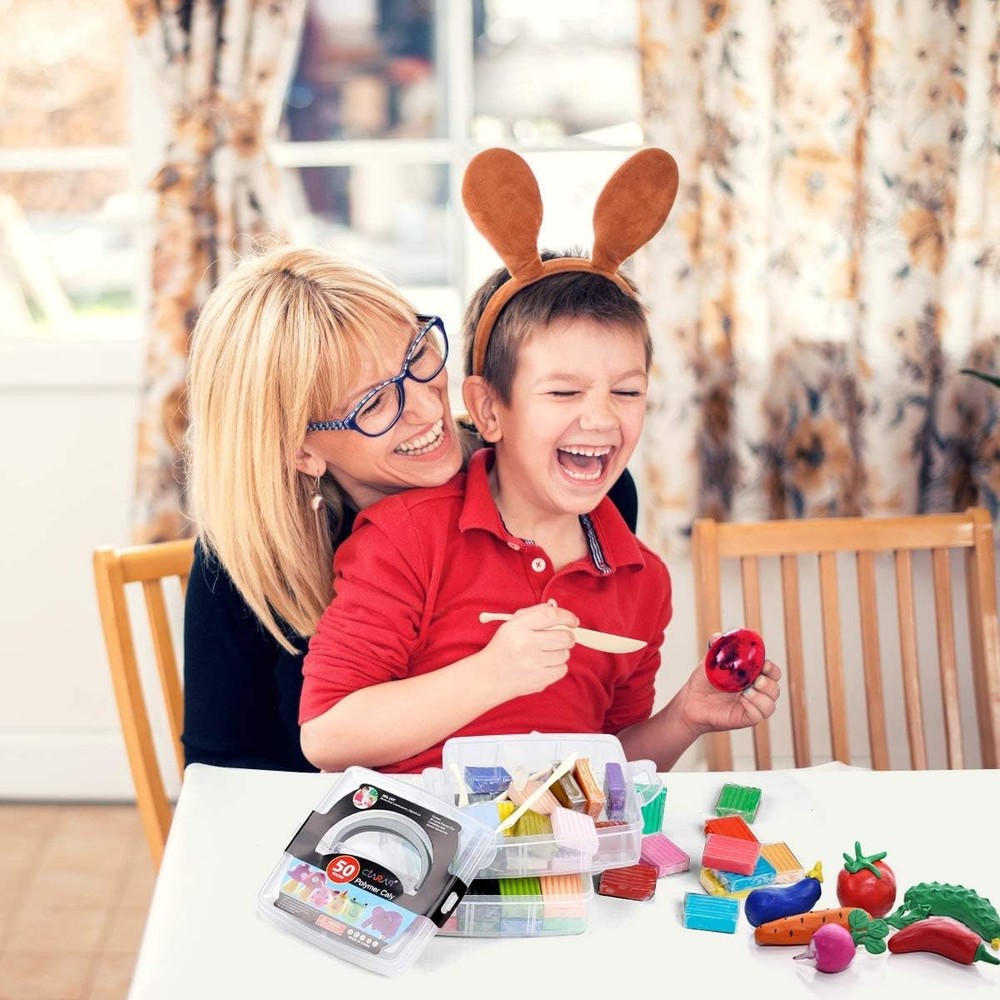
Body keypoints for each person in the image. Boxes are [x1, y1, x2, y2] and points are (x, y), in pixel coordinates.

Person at [299, 145, 780, 776]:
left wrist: (685, 715)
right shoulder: (405, 539)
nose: (602, 418)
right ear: (488, 410)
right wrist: (494, 674)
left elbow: (609, 765)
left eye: (627, 392)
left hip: (561, 863)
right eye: (563, 392)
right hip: (424, 853)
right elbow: (328, 735)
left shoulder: (642, 584)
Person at [181, 243, 639, 771]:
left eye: (417, 354)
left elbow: (599, 713)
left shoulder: (569, 487)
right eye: (372, 403)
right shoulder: (242, 562)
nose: (426, 407)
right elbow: (223, 769)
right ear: (300, 450)